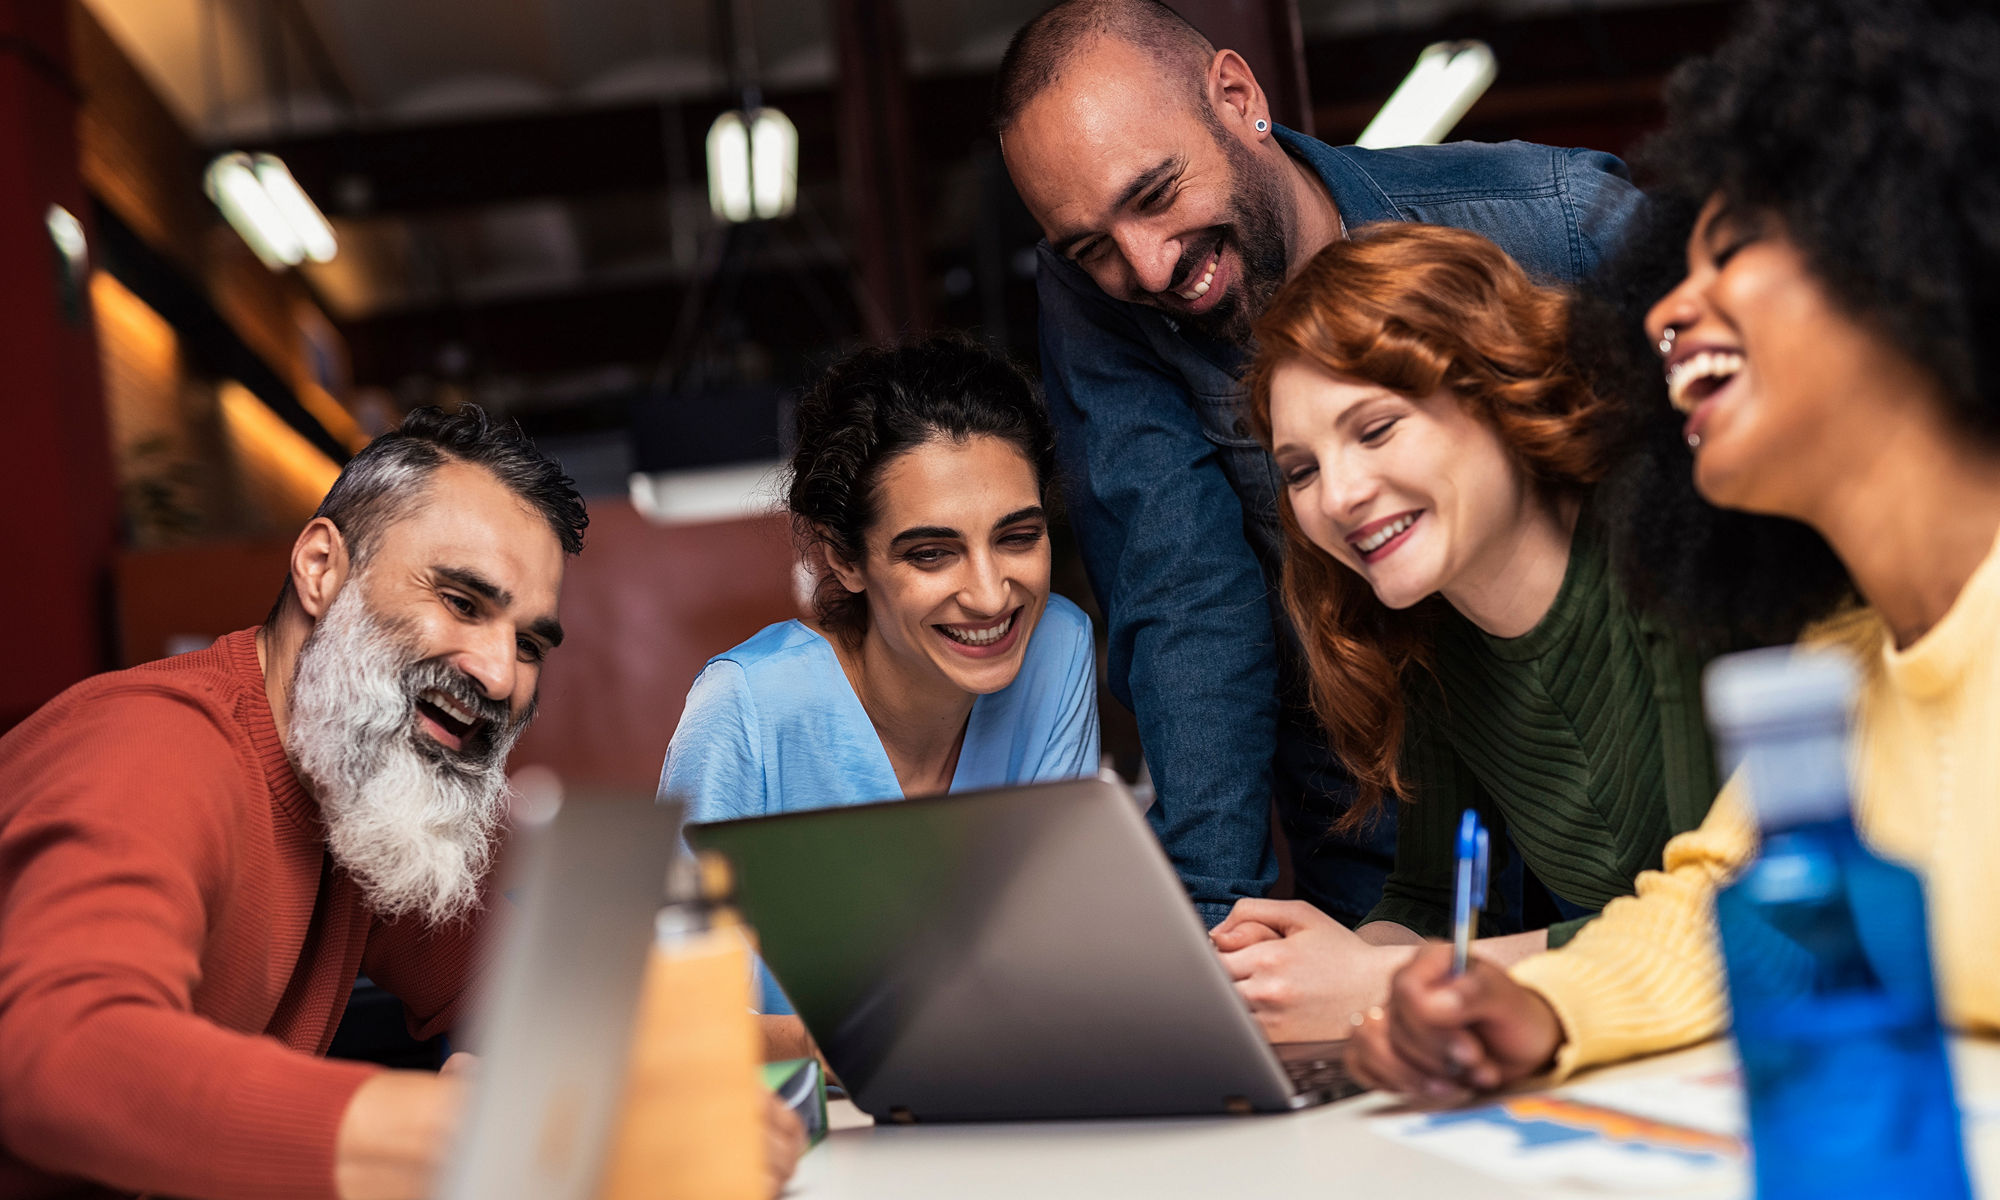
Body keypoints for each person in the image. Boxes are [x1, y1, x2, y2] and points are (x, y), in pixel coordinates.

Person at [1347, 0, 2000, 1098]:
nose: (1665, 312)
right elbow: (1720, 917)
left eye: (1733, 247)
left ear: (1909, 242)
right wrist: (1537, 1009)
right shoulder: (1836, 674)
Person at [0, 407, 802, 1200]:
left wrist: (826, 1048)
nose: (496, 673)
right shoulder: (156, 749)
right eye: (460, 602)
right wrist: (490, 1134)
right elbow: (60, 1051)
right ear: (321, 568)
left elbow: (574, 1009)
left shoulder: (367, 787)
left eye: (529, 644)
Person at [994, 0, 1642, 926]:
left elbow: (1706, 921)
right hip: (1385, 820)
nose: (1143, 267)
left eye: (1155, 193)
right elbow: (1184, 603)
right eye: (1296, 468)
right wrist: (1227, 956)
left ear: (1236, 96)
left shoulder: (1563, 227)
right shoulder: (1425, 660)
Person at [1204, 222, 1717, 1042]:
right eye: (1300, 469)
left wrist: (1384, 980)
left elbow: (1730, 918)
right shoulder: (1428, 637)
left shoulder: (1660, 533)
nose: (1335, 497)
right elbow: (1430, 902)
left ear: (1498, 384)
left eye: (1374, 430)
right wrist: (1303, 981)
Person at [659, 337, 1099, 1056]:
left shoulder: (1055, 649)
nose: (991, 595)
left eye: (1018, 537)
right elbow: (681, 1021)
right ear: (844, 559)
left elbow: (1054, 955)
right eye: (932, 553)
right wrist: (888, 1042)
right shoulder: (746, 705)